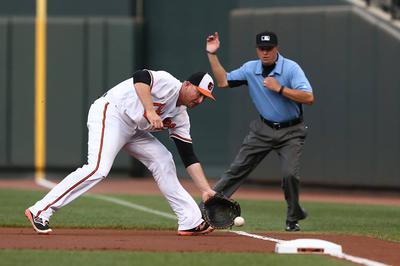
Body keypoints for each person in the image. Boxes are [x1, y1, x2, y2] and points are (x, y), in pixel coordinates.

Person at [25, 70, 217, 236]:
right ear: (187, 84)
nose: (199, 100)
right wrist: (150, 110)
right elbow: (140, 77)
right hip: (111, 112)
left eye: (204, 98)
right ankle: (40, 211)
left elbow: (188, 155)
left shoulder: (181, 117)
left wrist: (205, 189)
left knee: (163, 160)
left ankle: (190, 221)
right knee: (98, 168)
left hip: (134, 129)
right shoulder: (169, 84)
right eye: (198, 93)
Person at [206, 31, 314, 231]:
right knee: (236, 169)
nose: (265, 53)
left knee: (290, 174)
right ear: (257, 49)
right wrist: (212, 54)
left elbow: (308, 97)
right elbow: (223, 82)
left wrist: (280, 88)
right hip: (262, 130)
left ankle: (293, 218)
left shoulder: (291, 68)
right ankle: (205, 211)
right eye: (261, 49)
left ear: (276, 49)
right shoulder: (250, 68)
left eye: (269, 49)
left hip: (291, 131)